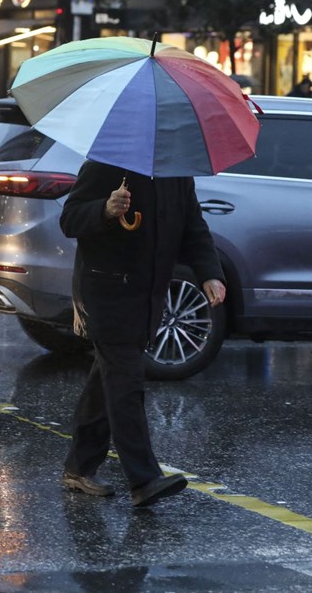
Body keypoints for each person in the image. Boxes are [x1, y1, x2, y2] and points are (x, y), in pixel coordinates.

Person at [59, 160, 226, 507]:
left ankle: (78, 467)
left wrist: (210, 273)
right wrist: (104, 209)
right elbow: (70, 218)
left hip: (146, 296)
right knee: (126, 381)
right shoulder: (106, 164)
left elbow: (193, 227)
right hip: (105, 292)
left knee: (106, 382)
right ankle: (144, 478)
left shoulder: (178, 172)